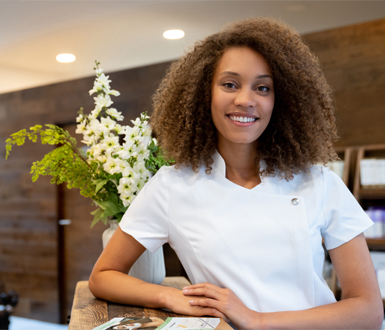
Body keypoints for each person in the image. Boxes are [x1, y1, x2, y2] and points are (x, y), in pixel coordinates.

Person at [89, 18, 383, 329]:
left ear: (280, 101)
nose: (245, 100)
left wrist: (257, 321)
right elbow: (104, 276)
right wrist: (170, 297)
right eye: (230, 84)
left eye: (263, 87)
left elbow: (367, 310)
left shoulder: (318, 181)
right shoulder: (172, 186)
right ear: (205, 93)